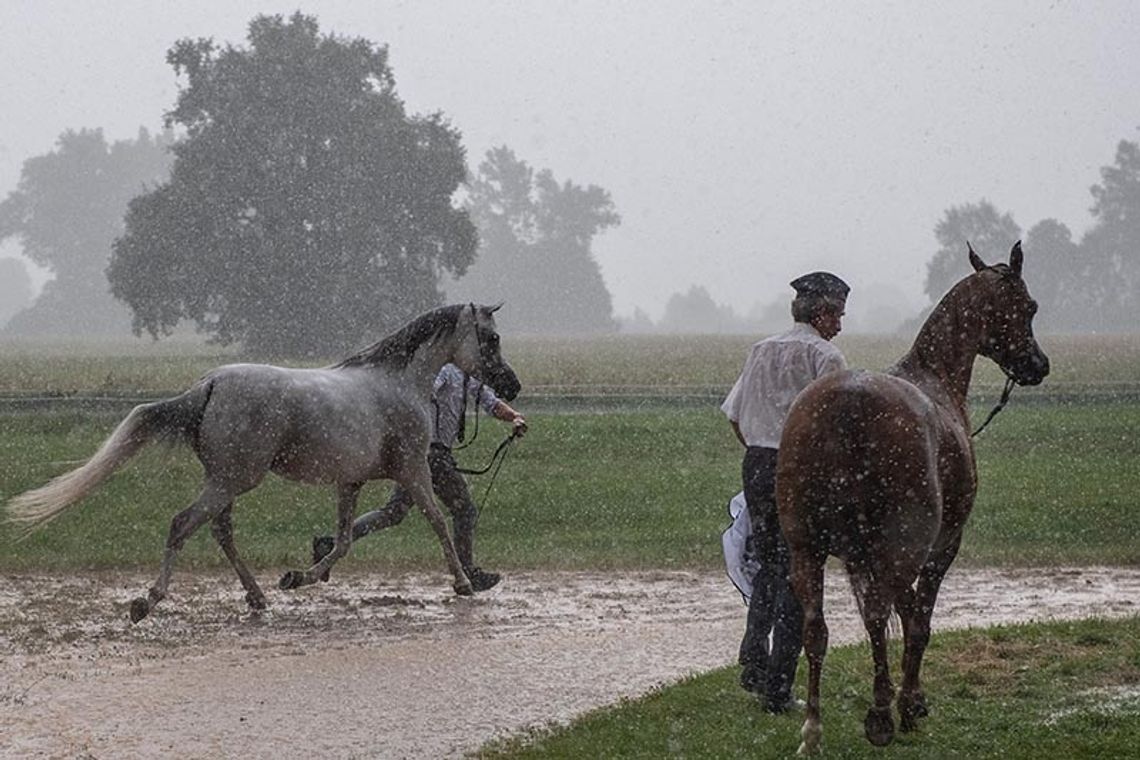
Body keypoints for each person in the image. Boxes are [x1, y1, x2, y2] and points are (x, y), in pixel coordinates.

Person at [721, 271, 849, 713]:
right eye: (838, 315)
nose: (840, 325)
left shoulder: (761, 350)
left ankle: (754, 661)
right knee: (802, 575)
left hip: (756, 462)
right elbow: (835, 428)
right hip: (801, 469)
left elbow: (734, 415)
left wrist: (765, 454)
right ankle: (778, 688)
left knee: (771, 566)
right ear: (821, 312)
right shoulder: (826, 356)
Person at [313, 362, 527, 592]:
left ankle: (331, 543)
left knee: (394, 512)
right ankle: (466, 571)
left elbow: (491, 403)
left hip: (426, 455)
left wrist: (514, 416)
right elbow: (424, 393)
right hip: (432, 454)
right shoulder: (445, 371)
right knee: (464, 510)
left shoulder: (469, 379)